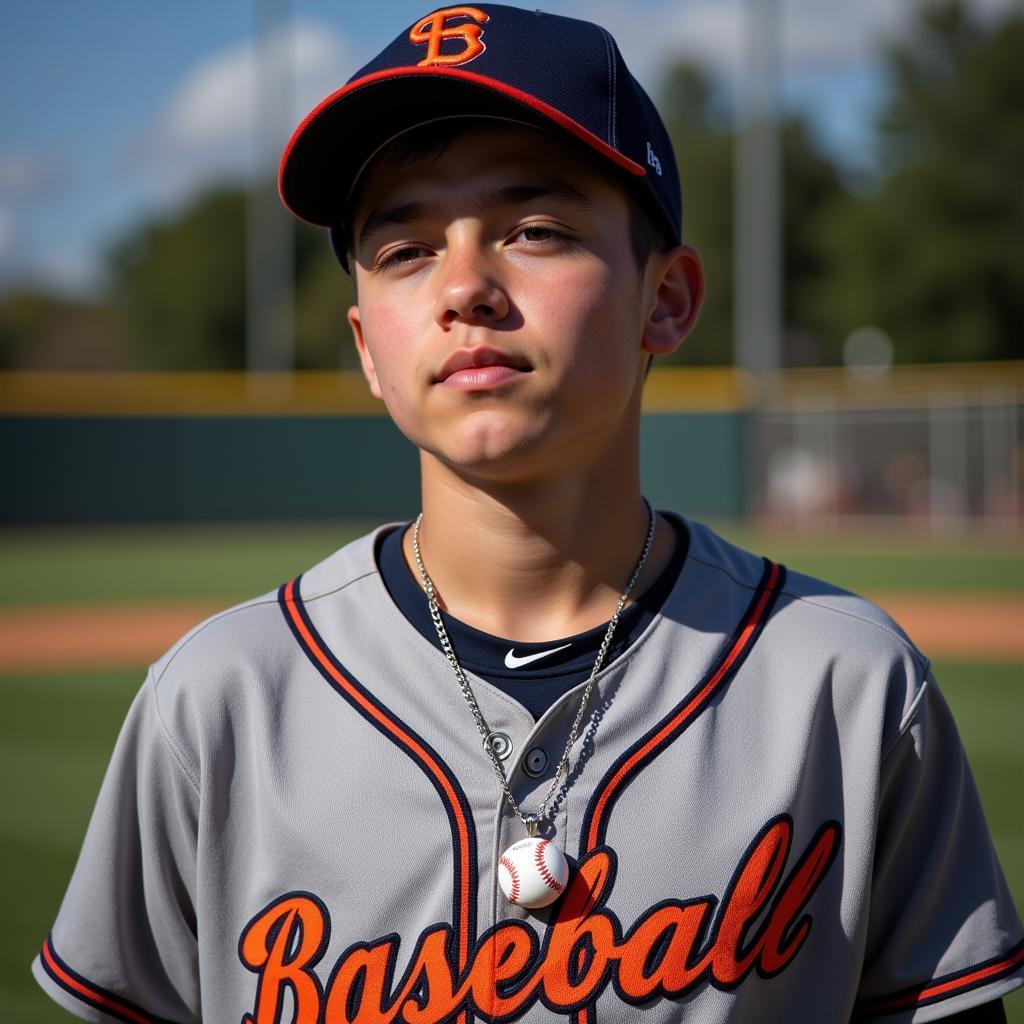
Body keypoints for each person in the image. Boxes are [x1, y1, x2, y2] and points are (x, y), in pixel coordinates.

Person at [33, 5, 1022, 1022]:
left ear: (668, 299)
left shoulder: (845, 689)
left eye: (534, 230)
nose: (464, 285)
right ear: (368, 344)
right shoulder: (217, 702)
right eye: (405, 247)